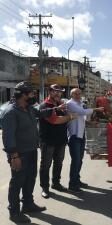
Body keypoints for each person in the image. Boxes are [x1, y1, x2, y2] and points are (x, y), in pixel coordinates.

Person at [1, 81, 64, 223]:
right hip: (19, 153)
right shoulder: (11, 112)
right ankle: (14, 211)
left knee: (30, 179)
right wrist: (14, 156)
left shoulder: (28, 108)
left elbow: (41, 113)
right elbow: (8, 137)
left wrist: (56, 108)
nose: (33, 95)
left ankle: (28, 204)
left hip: (31, 151)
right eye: (31, 93)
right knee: (17, 182)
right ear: (23, 95)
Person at [39, 84, 76, 199]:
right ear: (49, 92)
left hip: (61, 140)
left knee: (58, 163)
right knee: (46, 165)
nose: (58, 93)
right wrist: (70, 117)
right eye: (55, 91)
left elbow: (66, 116)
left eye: (60, 92)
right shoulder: (45, 106)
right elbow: (55, 121)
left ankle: (56, 183)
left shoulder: (61, 105)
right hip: (48, 140)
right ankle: (45, 188)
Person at [66, 88, 104, 193]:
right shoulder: (70, 103)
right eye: (76, 94)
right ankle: (72, 184)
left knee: (79, 160)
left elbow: (82, 119)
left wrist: (90, 123)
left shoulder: (80, 103)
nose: (78, 95)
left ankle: (77, 181)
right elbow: (82, 112)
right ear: (72, 95)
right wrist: (96, 109)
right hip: (74, 136)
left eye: (79, 93)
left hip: (81, 135)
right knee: (76, 161)